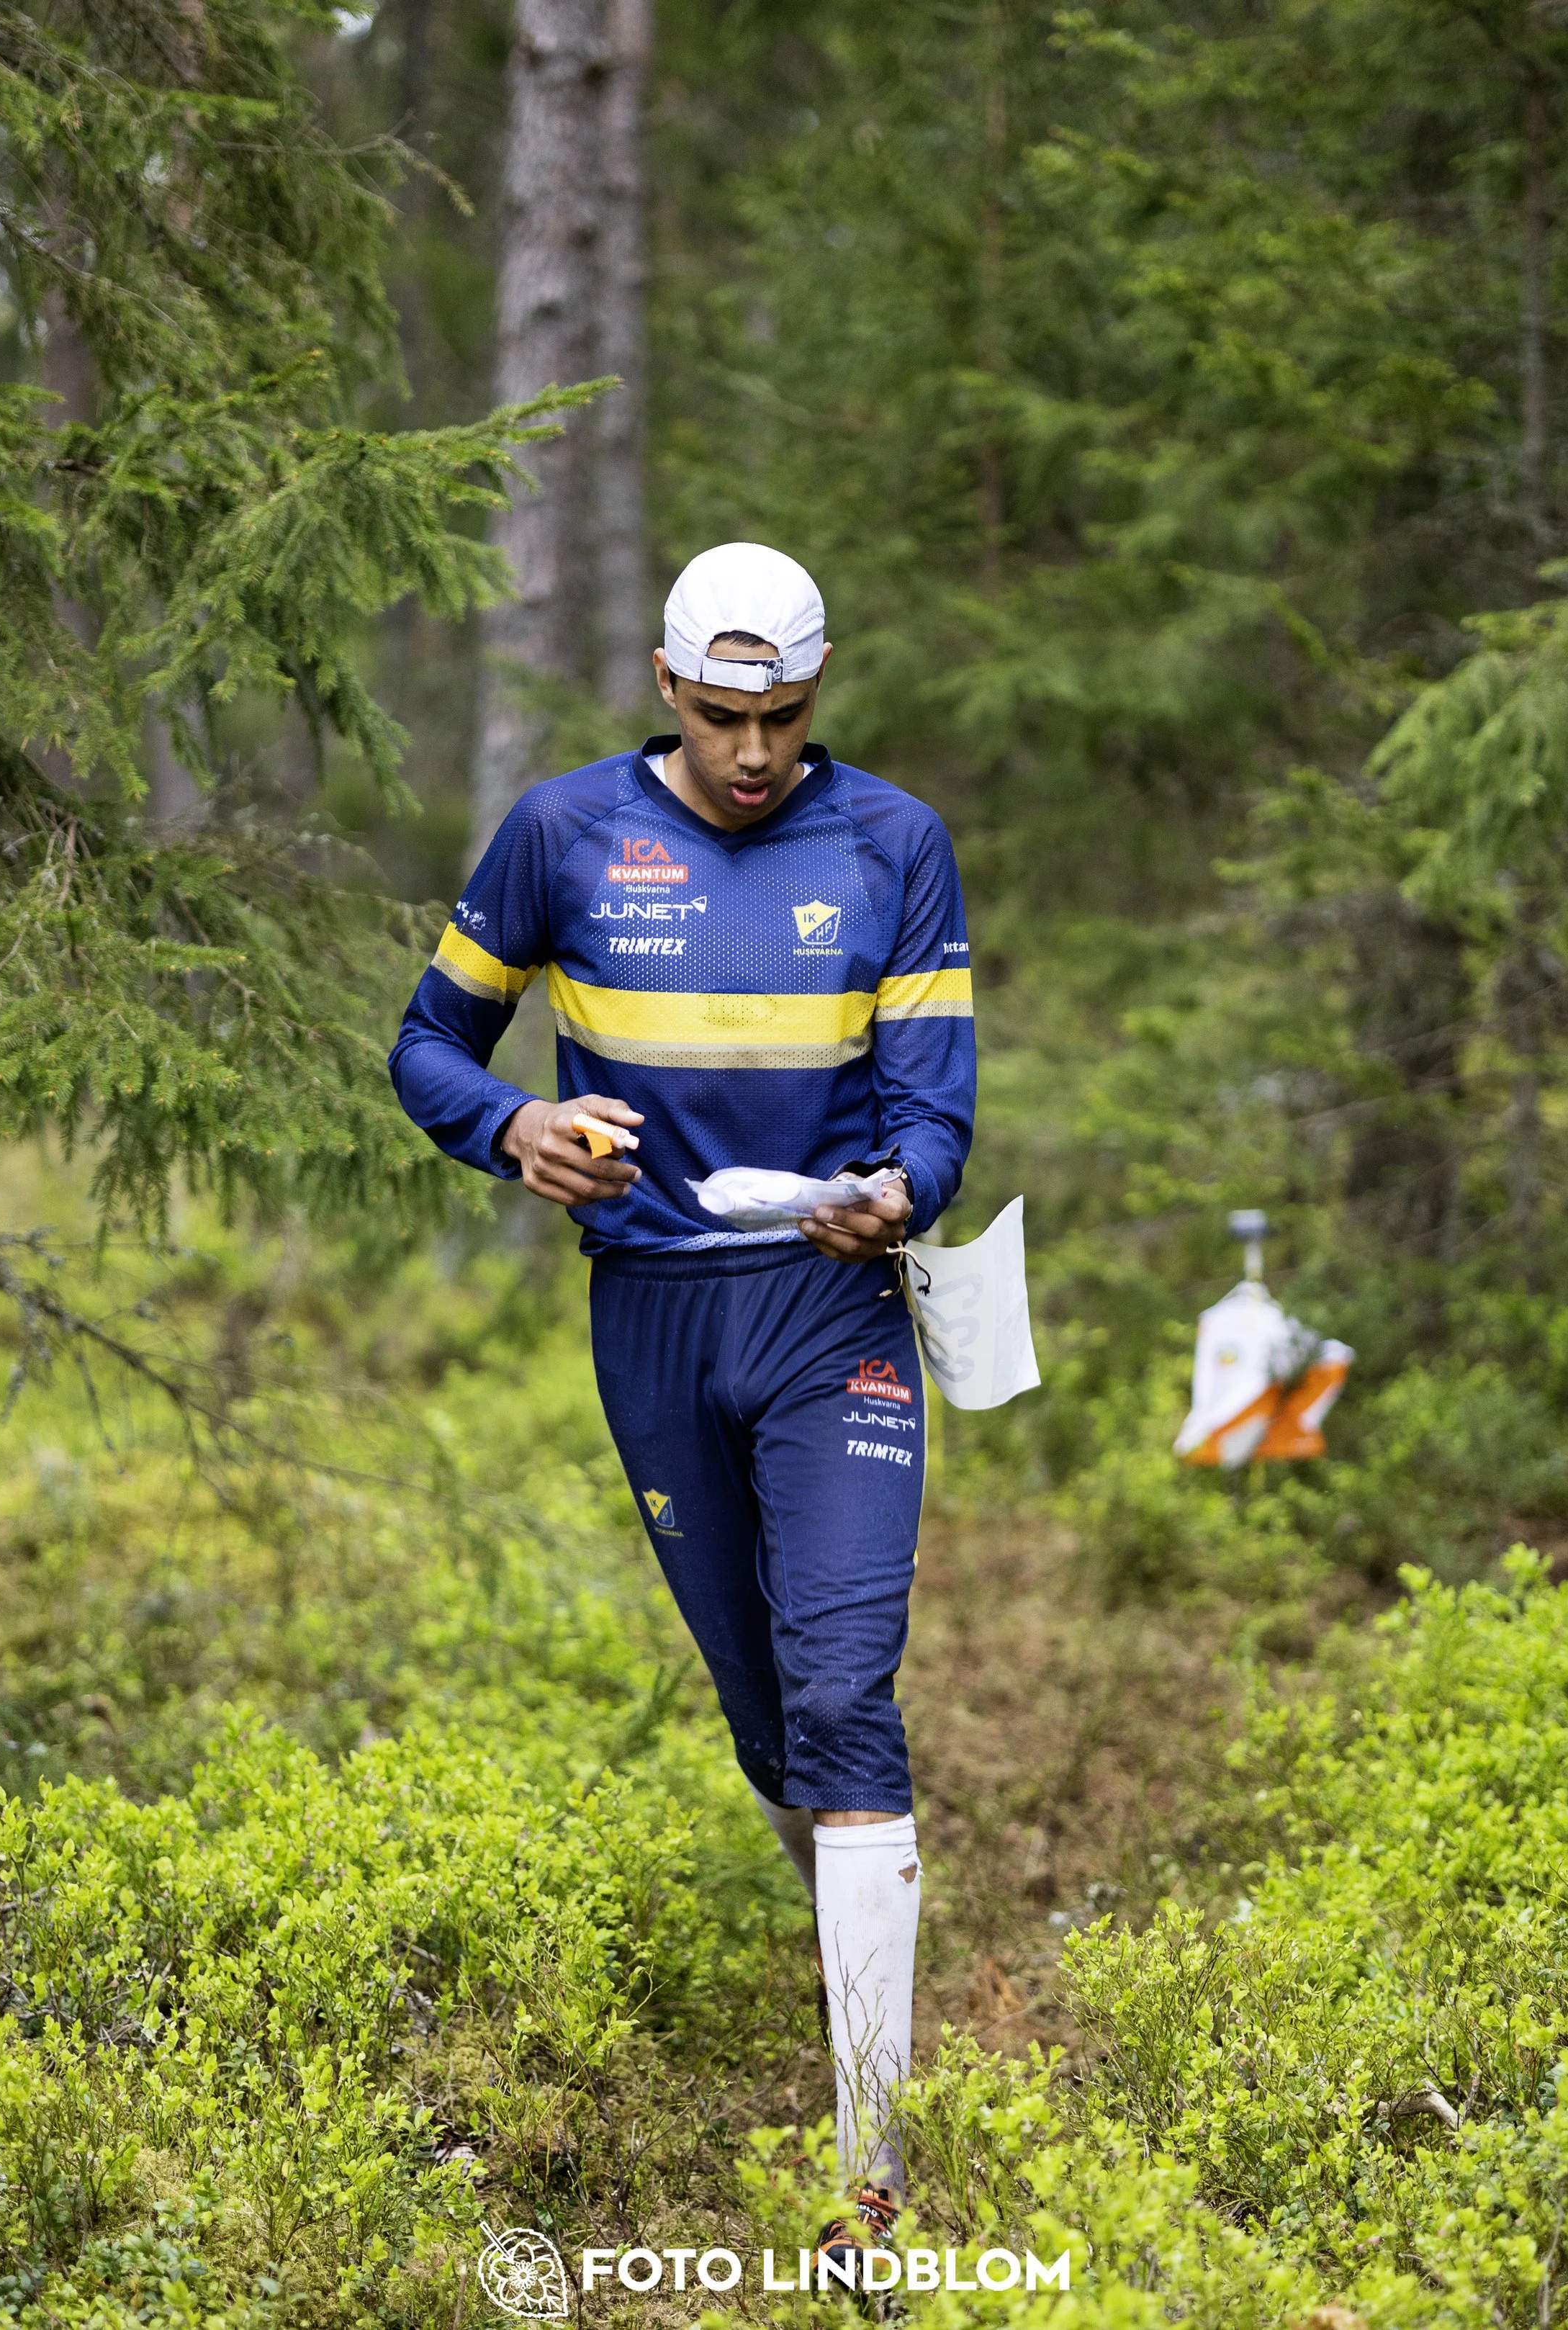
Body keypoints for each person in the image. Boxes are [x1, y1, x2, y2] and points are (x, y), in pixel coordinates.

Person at [389, 542, 976, 2262]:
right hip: (649, 1315)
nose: (752, 752)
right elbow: (426, 1045)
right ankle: (846, 1923)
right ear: (665, 688)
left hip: (828, 1309)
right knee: (770, 1726)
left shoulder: (891, 842)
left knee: (844, 1690)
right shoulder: (560, 833)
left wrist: (902, 1192)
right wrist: (514, 1126)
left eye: (781, 718)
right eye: (722, 718)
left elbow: (934, 1108)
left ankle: (870, 2184)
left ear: (816, 696)